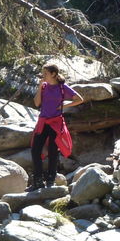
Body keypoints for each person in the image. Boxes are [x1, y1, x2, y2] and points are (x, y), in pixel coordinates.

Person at [29, 63, 84, 191]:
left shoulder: (62, 87)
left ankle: (50, 180)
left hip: (56, 123)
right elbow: (37, 103)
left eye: (45, 74)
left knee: (53, 152)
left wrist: (64, 106)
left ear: (53, 74)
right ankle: (37, 181)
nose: (43, 76)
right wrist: (39, 87)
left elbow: (79, 99)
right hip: (43, 122)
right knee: (35, 150)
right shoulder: (43, 87)